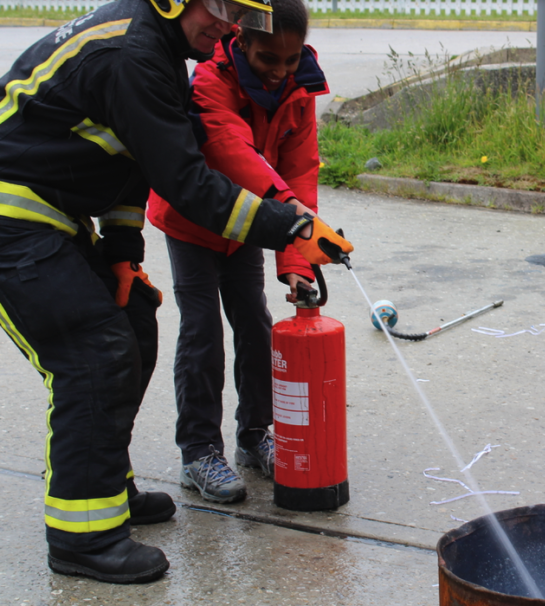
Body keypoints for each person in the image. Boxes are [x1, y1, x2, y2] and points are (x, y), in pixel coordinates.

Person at [0, 0, 352, 586]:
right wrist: (288, 226)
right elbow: (185, 181)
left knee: (132, 326)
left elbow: (129, 163)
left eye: (238, 12)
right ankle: (83, 538)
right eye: (219, 6)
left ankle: (105, 487)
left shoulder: (158, 53)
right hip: (15, 220)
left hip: (53, 216)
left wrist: (120, 253)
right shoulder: (134, 54)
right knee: (94, 355)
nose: (227, 23)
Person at [147, 0, 326, 504]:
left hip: (254, 224)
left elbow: (301, 171)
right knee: (202, 328)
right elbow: (233, 152)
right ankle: (199, 451)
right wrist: (292, 219)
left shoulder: (299, 90)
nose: (279, 71)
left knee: (255, 323)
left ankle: (253, 435)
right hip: (196, 222)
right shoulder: (208, 81)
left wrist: (295, 260)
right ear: (240, 40)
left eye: (290, 61)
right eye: (268, 57)